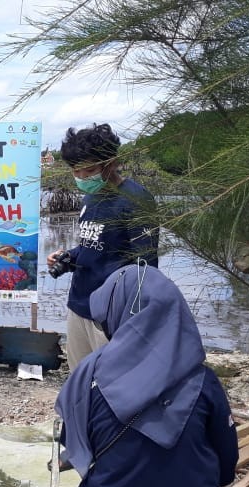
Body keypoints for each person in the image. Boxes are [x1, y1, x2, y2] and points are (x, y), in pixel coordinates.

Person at [54, 262, 239, 487]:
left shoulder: (89, 376)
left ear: (118, 315)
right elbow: (226, 470)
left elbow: (75, 449)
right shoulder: (205, 383)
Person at [47, 123, 159, 371]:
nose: (83, 178)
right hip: (79, 304)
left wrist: (132, 317)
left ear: (111, 162)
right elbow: (93, 246)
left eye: (89, 171)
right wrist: (68, 257)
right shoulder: (90, 197)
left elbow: (146, 266)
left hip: (111, 314)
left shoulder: (136, 199)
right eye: (76, 172)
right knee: (80, 380)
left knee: (112, 382)